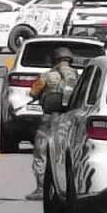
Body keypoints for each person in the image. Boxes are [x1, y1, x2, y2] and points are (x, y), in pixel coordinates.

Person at [26, 47, 80, 201]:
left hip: (49, 119)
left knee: (40, 151)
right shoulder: (77, 76)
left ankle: (41, 188)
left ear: (55, 59)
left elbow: (33, 92)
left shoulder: (47, 75)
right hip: (68, 120)